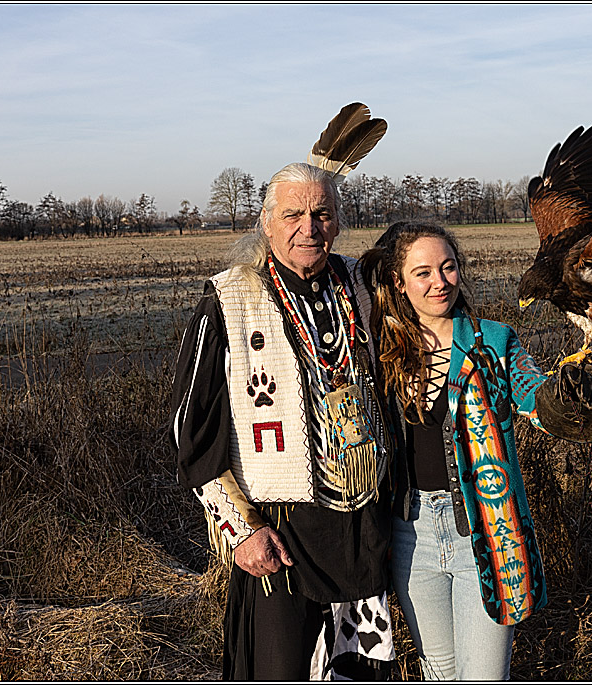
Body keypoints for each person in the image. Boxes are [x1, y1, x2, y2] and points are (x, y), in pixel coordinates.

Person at [170, 162, 395, 680]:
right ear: (267, 224)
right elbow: (190, 428)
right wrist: (240, 530)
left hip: (361, 530)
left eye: (322, 213)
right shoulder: (229, 298)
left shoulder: (364, 287)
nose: (308, 227)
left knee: (358, 668)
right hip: (278, 532)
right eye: (293, 214)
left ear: (338, 222)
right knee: (279, 669)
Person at [360, 221, 592, 680]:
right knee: (439, 673)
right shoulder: (382, 348)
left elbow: (534, 398)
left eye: (448, 267)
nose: (440, 282)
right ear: (398, 281)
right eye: (423, 272)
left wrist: (566, 395)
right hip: (409, 537)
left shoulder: (493, 340)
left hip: (487, 532)